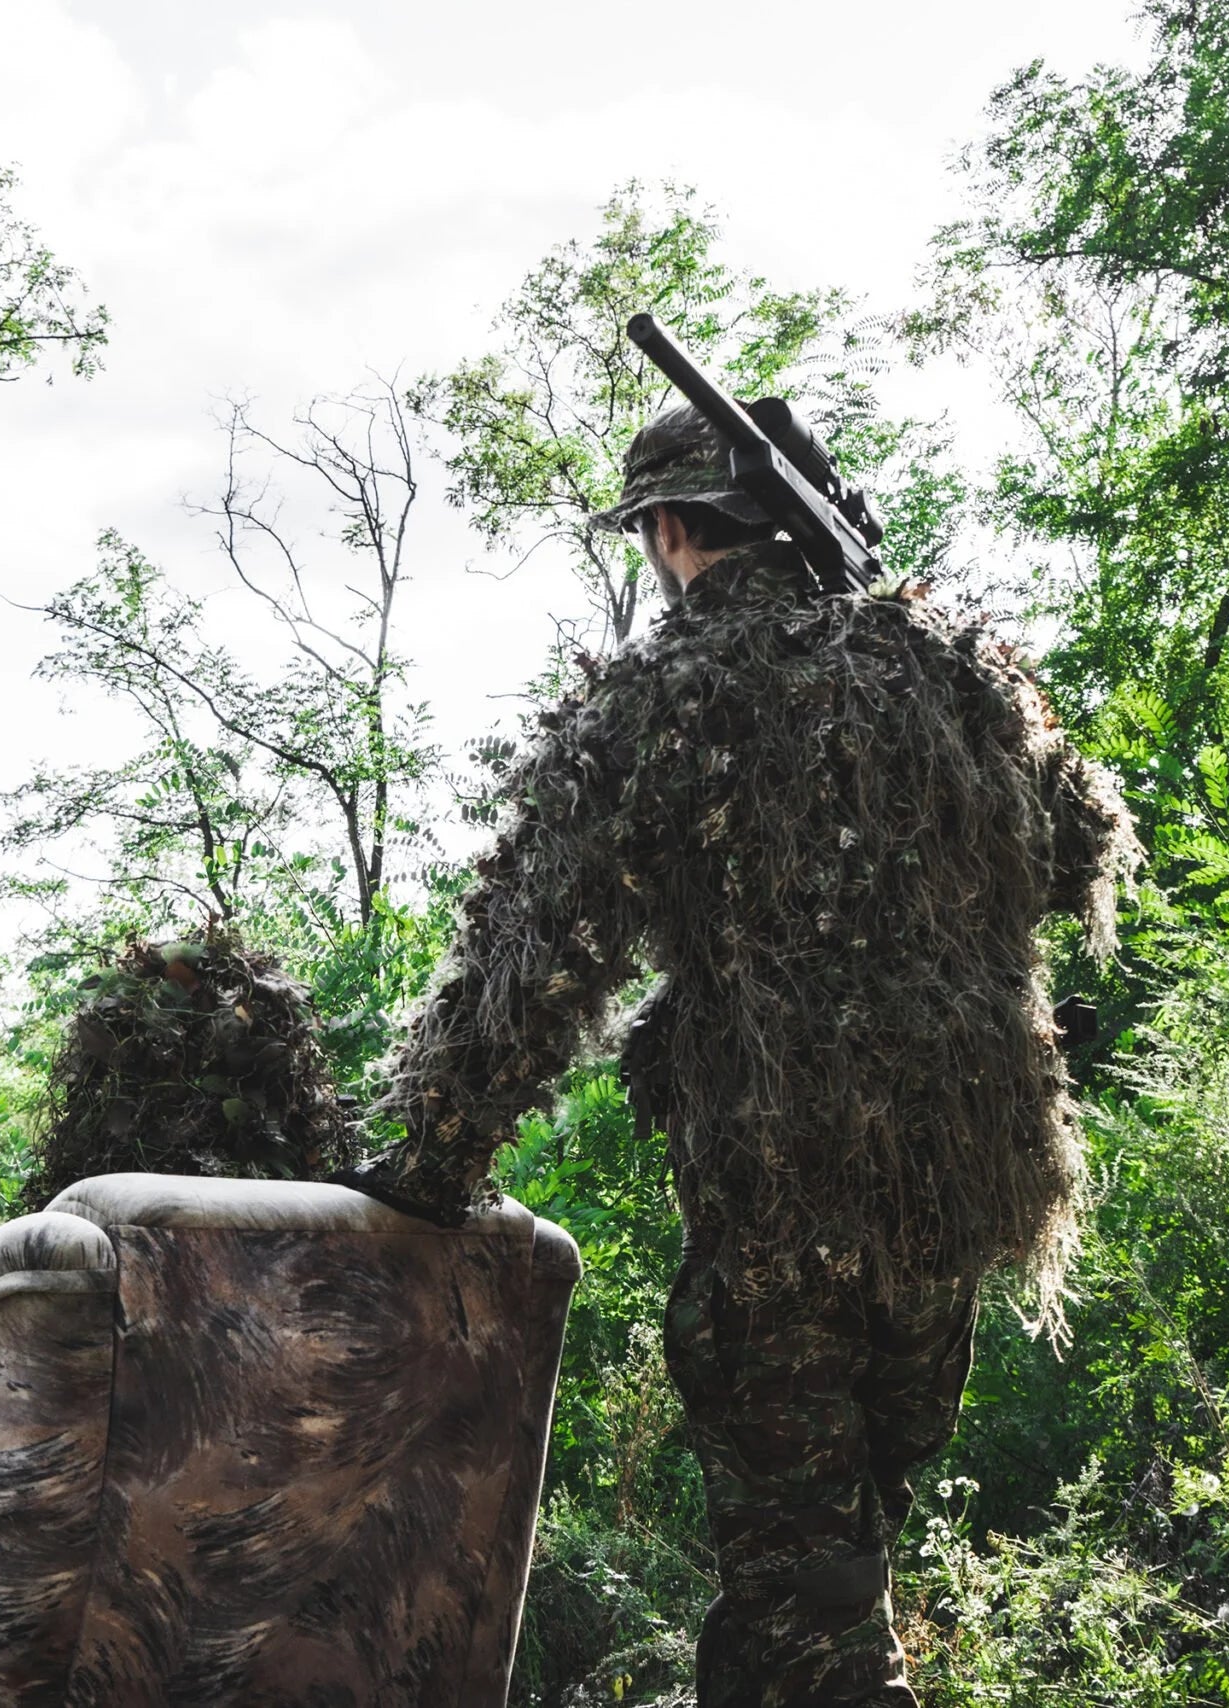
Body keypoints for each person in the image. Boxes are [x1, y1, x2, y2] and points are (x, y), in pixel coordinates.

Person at [366, 401, 1138, 1706]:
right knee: (834, 1574)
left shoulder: (671, 692)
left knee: (810, 1615)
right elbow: (1076, 860)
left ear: (670, 530)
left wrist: (429, 1166)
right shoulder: (965, 671)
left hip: (788, 1187)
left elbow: (538, 953)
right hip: (961, 1186)